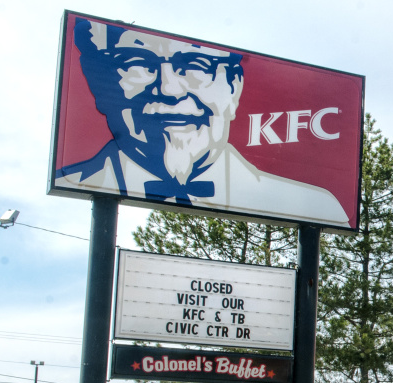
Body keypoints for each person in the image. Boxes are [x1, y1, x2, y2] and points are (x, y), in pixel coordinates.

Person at [54, 18, 349, 227]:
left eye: (195, 66)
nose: (169, 89)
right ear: (99, 84)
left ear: (233, 89)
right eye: (136, 63)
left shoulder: (319, 205)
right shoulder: (71, 181)